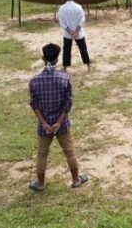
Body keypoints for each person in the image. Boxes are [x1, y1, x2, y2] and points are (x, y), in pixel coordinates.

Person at [28, 43, 88, 192]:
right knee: (69, 151)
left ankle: (41, 184)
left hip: (44, 126)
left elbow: (34, 105)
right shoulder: (64, 78)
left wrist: (45, 124)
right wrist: (59, 122)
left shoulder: (34, 81)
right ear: (56, 60)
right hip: (62, 124)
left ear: (43, 58)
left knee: (42, 153)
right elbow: (68, 103)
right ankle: (75, 180)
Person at [57, 0, 91, 71]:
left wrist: (70, 32)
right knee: (83, 48)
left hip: (67, 33)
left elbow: (62, 22)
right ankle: (88, 65)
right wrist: (76, 31)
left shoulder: (62, 8)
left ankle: (65, 67)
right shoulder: (78, 7)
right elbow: (82, 19)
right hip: (79, 32)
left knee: (66, 49)